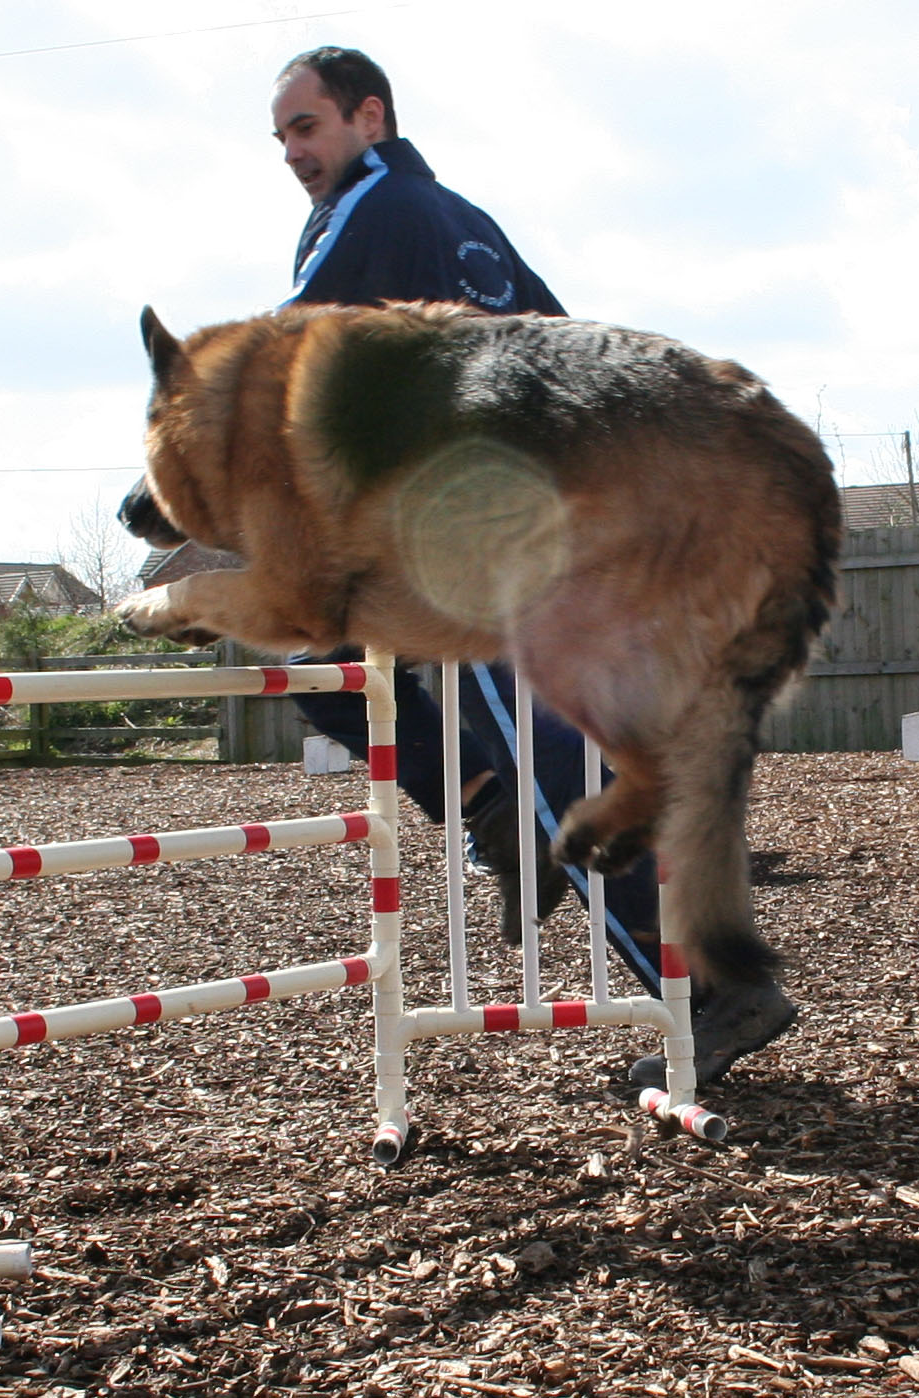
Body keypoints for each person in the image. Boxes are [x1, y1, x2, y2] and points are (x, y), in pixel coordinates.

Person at [268, 46, 797, 1087]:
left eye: (308, 127)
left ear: (368, 118)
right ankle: (481, 798)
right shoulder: (463, 219)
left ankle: (713, 987)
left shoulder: (373, 212)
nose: (293, 152)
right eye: (282, 135)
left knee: (564, 787)